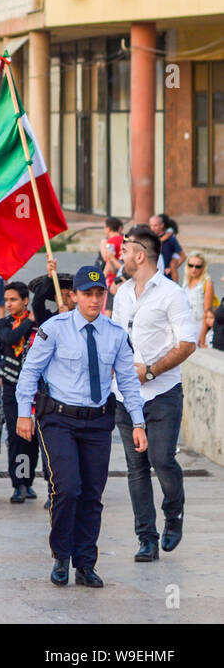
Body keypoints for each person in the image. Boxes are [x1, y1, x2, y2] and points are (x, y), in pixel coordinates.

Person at [15, 264, 148, 587]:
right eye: (86, 294)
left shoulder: (115, 334)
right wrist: (23, 412)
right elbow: (31, 371)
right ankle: (62, 555)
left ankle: (85, 563)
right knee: (68, 488)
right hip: (58, 419)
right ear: (73, 296)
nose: (93, 299)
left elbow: (128, 381)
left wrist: (138, 422)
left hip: (97, 421)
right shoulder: (54, 328)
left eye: (99, 293)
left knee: (91, 494)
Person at [112, 224, 197, 561]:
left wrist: (150, 371)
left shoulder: (171, 294)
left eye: (124, 249)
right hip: (125, 396)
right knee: (136, 468)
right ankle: (145, 538)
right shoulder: (120, 294)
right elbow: (117, 341)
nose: (119, 254)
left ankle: (173, 513)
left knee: (162, 460)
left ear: (140, 254)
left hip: (162, 393)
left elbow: (188, 343)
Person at [0, 279, 39, 503]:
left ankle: (29, 481)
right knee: (16, 436)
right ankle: (18, 483)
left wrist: (34, 321)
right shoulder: (3, 323)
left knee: (33, 438)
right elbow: (10, 338)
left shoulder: (40, 324)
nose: (9, 304)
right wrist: (29, 322)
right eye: (6, 300)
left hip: (35, 389)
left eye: (14, 299)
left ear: (25, 300)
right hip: (12, 387)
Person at [184, 253, 215, 348]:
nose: (194, 269)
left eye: (198, 266)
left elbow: (207, 312)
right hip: (185, 325)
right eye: (191, 265)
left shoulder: (207, 283)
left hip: (198, 326)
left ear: (203, 267)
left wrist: (203, 336)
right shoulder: (186, 281)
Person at [150, 213, 184, 282]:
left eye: (155, 225)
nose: (153, 228)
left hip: (168, 279)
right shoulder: (148, 239)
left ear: (162, 225)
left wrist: (172, 268)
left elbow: (183, 256)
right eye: (151, 225)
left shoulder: (171, 239)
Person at [100, 216, 125, 292]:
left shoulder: (111, 241)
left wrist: (102, 244)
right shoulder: (125, 238)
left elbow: (108, 258)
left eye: (105, 227)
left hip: (113, 278)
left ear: (108, 228)